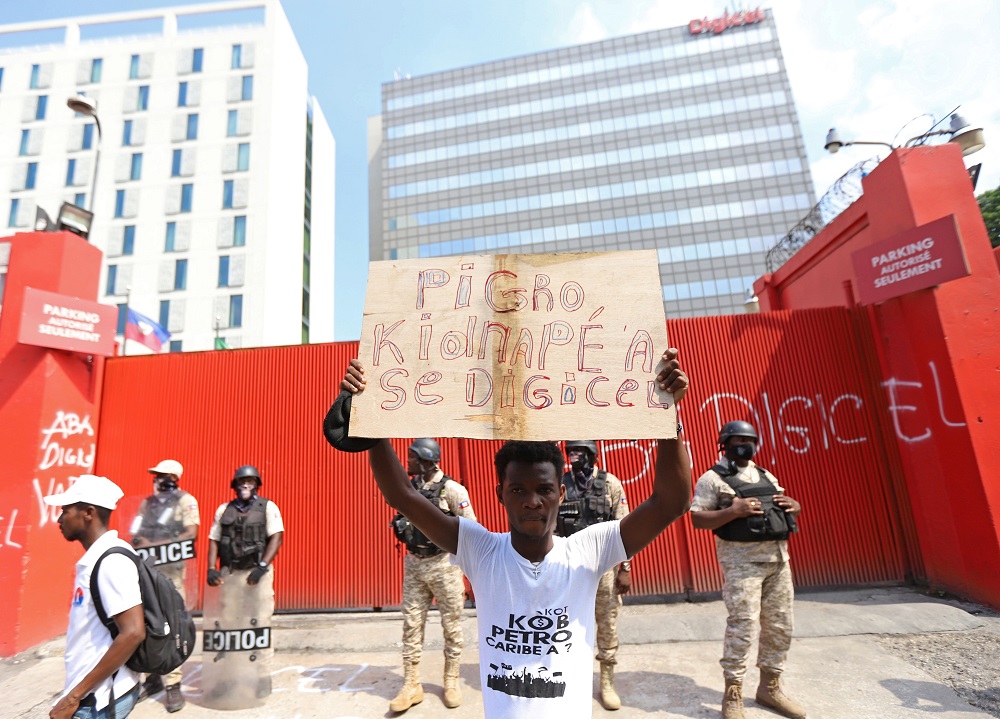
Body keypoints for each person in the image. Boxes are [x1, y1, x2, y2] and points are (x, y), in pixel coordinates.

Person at [326, 348, 690, 719]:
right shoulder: (480, 549)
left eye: (544, 489)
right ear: (500, 493)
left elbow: (670, 503)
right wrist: (369, 420)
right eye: (518, 489)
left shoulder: (588, 550)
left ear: (560, 493)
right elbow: (402, 495)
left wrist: (669, 416)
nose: (532, 501)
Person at [689, 421, 806, 719]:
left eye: (749, 440)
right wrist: (733, 511)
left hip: (779, 562)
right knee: (742, 628)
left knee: (780, 627)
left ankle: (770, 687)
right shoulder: (711, 479)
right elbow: (698, 519)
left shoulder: (765, 474)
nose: (744, 445)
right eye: (738, 439)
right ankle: (733, 693)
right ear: (724, 444)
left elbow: (781, 503)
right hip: (742, 564)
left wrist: (794, 505)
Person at [44, 474, 146, 719]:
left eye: (65, 510)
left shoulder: (111, 562)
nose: (59, 518)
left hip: (99, 700)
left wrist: (74, 697)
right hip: (92, 694)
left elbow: (133, 632)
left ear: (88, 513)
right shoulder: (99, 559)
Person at [388, 438, 477, 713]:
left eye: (412, 457)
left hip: (444, 565)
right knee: (411, 625)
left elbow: (470, 531)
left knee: (452, 626)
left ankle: (451, 681)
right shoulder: (409, 489)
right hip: (414, 564)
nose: (408, 462)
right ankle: (411, 684)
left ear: (426, 459)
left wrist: (467, 573)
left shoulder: (452, 490)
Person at [556, 440, 631, 710]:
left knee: (607, 626)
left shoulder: (610, 483)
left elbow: (624, 528)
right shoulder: (561, 483)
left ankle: (607, 681)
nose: (574, 456)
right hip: (568, 570)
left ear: (592, 454)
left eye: (580, 451)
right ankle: (570, 680)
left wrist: (625, 568)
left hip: (604, 571)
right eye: (570, 452)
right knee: (566, 628)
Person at [205, 465, 284, 699]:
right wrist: (211, 568)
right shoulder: (224, 509)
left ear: (257, 484)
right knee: (229, 626)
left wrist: (262, 566)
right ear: (235, 485)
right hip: (231, 574)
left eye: (250, 481)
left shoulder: (268, 507)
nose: (245, 485)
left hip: (257, 575)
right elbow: (214, 539)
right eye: (241, 481)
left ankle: (262, 676)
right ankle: (229, 677)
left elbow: (277, 537)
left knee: (259, 623)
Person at [130, 459, 199, 712]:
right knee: (148, 623)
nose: (157, 479)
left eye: (161, 475)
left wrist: (159, 543)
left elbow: (191, 532)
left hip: (172, 574)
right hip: (147, 571)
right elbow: (135, 531)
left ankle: (172, 684)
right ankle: (151, 678)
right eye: (155, 475)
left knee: (172, 625)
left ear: (173, 477)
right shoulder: (146, 504)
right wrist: (142, 540)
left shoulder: (185, 500)